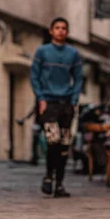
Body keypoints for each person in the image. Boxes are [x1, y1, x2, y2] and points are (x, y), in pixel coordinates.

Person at [30, 17, 83, 197]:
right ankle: (48, 177)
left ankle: (59, 184)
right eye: (57, 28)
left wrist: (74, 100)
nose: (60, 31)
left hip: (67, 104)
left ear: (67, 32)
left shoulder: (73, 54)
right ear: (51, 31)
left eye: (64, 28)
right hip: (49, 104)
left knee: (64, 145)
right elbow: (34, 76)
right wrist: (40, 98)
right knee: (52, 141)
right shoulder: (42, 52)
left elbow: (78, 79)